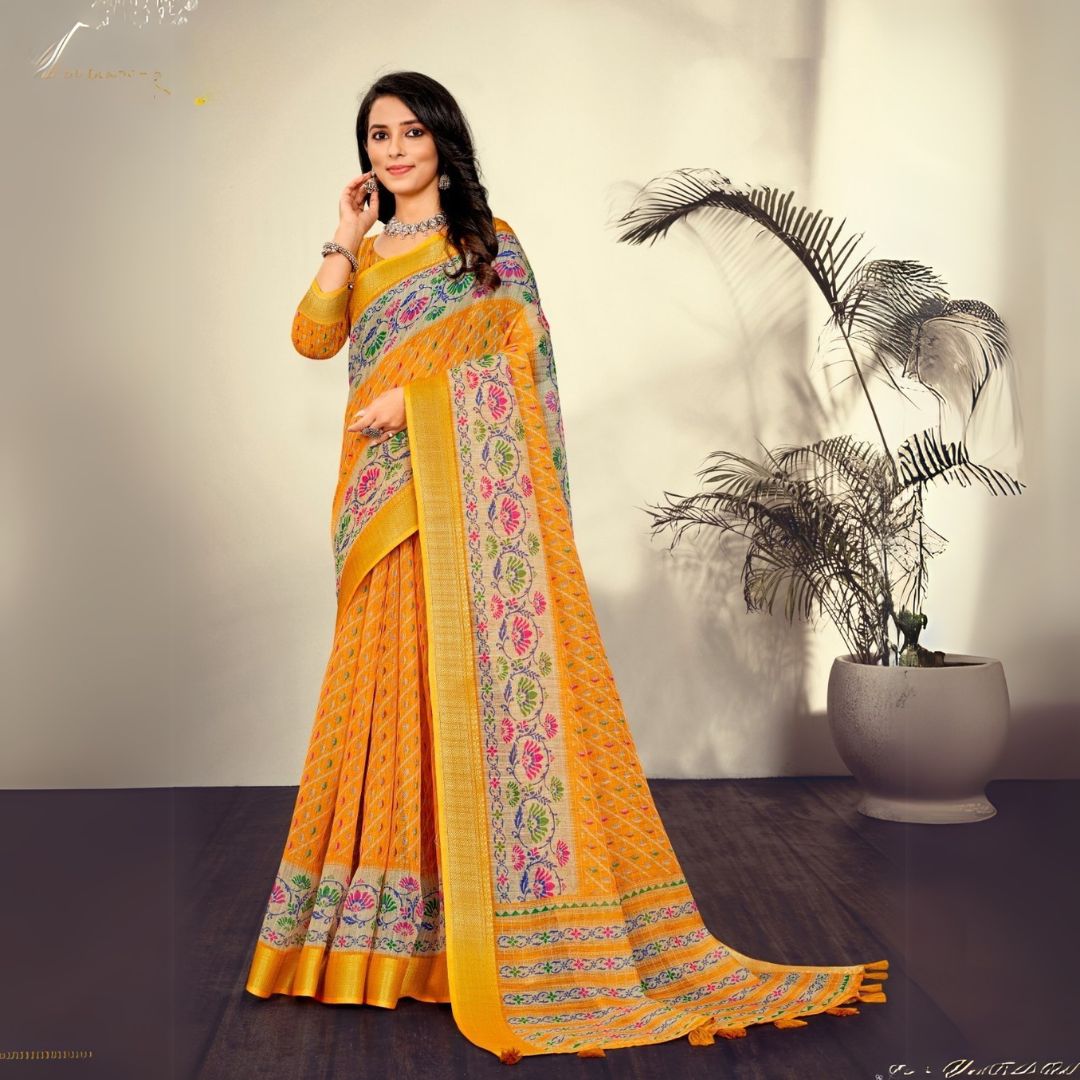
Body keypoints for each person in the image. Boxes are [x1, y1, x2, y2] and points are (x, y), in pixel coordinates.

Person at [243, 70, 888, 1063]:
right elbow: (312, 337)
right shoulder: (366, 255)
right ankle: (386, 946)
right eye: (378, 136)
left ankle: (493, 942)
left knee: (459, 699)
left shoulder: (489, 247)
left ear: (442, 143)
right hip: (380, 507)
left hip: (463, 503)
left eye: (412, 133)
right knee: (382, 700)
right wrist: (340, 233)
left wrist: (412, 407)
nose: (394, 151)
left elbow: (526, 376)